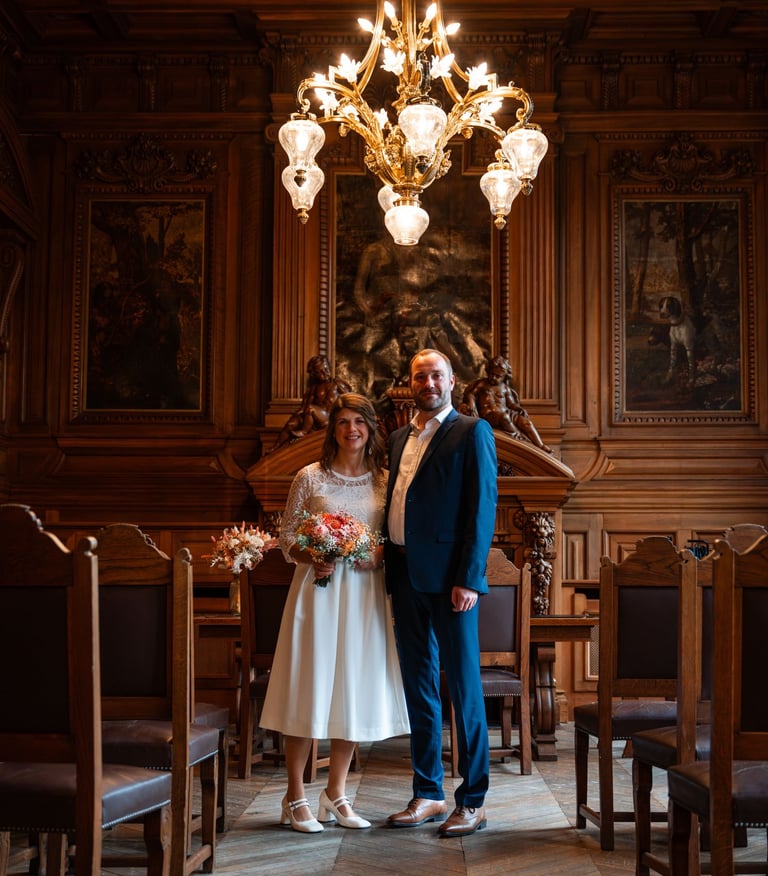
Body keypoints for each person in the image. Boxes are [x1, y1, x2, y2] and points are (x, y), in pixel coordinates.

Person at [260, 392, 410, 833]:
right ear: (333, 430)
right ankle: (295, 796)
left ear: (370, 429)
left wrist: (378, 555)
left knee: (352, 689)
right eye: (343, 422)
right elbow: (288, 537)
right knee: (307, 686)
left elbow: (393, 537)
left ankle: (336, 793)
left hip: (364, 594)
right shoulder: (310, 477)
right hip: (318, 594)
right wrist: (312, 555)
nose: (351, 430)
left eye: (359, 422)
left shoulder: (384, 481)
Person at [384, 348, 498, 838]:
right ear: (410, 383)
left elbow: (482, 508)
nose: (427, 383)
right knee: (419, 687)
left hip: (453, 582)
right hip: (404, 575)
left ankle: (473, 800)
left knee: (465, 689)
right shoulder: (397, 438)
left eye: (435, 375)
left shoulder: (473, 432)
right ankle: (428, 792)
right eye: (419, 376)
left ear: (452, 382)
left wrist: (470, 578)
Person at [460, 354, 552, 452]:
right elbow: (471, 394)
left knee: (526, 423)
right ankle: (519, 439)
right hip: (490, 415)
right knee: (504, 417)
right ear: (488, 371)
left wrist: (519, 409)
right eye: (491, 374)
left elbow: (511, 404)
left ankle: (540, 445)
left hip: (507, 413)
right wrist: (471, 402)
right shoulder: (482, 384)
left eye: (498, 376)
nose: (493, 378)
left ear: (504, 376)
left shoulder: (505, 388)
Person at [271, 355, 352, 451]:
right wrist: (297, 416)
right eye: (320, 371)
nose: (325, 373)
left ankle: (304, 432)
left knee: (310, 408)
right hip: (313, 417)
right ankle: (275, 448)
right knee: (291, 423)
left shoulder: (338, 384)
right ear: (314, 374)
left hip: (329, 418)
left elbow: (350, 402)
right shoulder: (314, 388)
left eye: (326, 369)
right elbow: (304, 406)